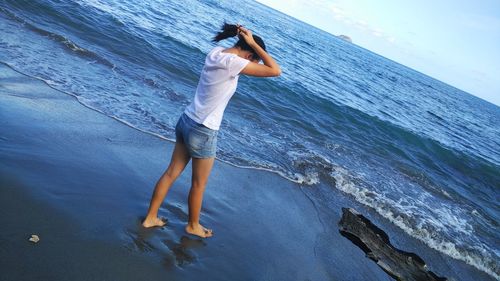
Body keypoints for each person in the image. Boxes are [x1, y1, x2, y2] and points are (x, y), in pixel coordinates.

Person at [142, 23, 281, 238]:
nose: (252, 64)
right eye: (254, 59)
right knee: (198, 184)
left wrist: (249, 44)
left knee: (171, 173)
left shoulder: (216, 53)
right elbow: (275, 71)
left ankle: (151, 218)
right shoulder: (233, 62)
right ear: (250, 53)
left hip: (187, 120)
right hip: (204, 130)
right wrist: (254, 43)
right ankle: (193, 226)